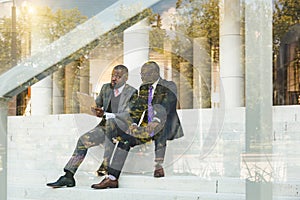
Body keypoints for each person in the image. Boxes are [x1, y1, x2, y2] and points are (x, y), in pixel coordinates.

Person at [91, 61, 184, 189]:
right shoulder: (144, 88)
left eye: (145, 74)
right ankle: (112, 178)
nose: (142, 77)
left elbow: (167, 105)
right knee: (125, 138)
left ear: (155, 73)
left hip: (165, 124)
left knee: (159, 128)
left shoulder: (169, 85)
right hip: (146, 127)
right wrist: (133, 123)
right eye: (141, 74)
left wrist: (156, 120)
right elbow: (138, 109)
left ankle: (159, 165)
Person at [46, 64, 138, 188]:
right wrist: (93, 108)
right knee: (83, 140)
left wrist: (105, 114)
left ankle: (106, 166)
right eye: (112, 75)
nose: (114, 79)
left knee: (111, 124)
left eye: (118, 76)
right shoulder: (106, 88)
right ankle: (68, 176)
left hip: (123, 128)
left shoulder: (132, 92)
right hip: (105, 127)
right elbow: (98, 105)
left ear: (126, 78)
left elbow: (127, 114)